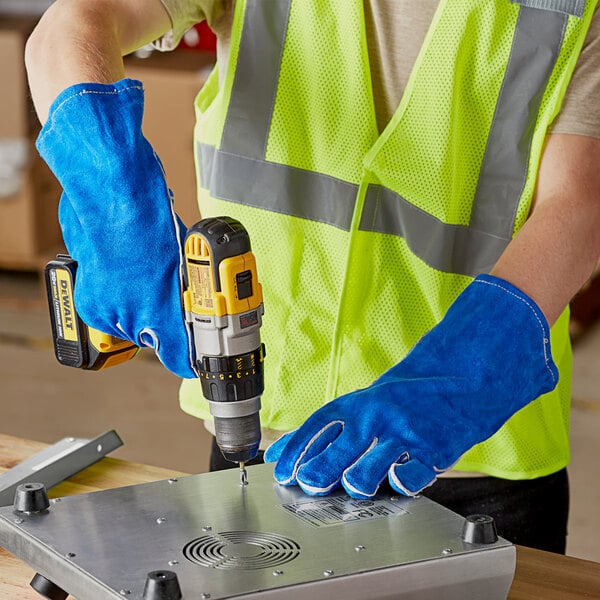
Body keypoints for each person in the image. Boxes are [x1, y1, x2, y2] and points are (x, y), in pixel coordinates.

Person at [24, 0, 600, 555]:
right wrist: (115, 204)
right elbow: (71, 27)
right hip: (267, 441)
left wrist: (463, 372)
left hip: (476, 450)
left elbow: (580, 203)